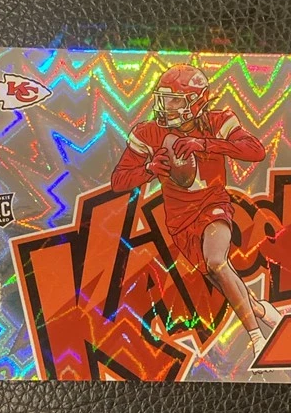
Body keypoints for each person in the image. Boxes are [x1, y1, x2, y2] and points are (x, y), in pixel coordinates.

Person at [111, 64, 282, 364]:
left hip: (213, 205)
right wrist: (149, 169)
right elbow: (118, 180)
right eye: (165, 99)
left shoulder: (217, 121)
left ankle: (258, 339)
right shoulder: (148, 132)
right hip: (179, 221)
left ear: (195, 101)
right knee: (222, 279)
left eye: (174, 100)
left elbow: (255, 150)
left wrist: (204, 144)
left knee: (217, 262)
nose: (166, 106)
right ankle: (261, 309)